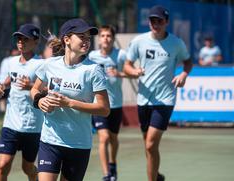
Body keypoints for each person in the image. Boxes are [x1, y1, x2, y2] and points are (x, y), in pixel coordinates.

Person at [30, 18, 110, 181]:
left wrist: (70, 103)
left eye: (88, 38)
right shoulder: (49, 65)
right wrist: (39, 101)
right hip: (50, 141)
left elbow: (104, 108)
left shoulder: (93, 70)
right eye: (82, 36)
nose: (86, 41)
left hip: (78, 144)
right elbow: (35, 89)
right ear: (67, 39)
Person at [123, 5, 193, 181]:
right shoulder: (139, 41)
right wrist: (134, 72)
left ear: (166, 22)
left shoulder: (176, 43)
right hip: (143, 100)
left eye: (159, 21)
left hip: (165, 100)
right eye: (152, 20)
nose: (156, 24)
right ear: (149, 22)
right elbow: (127, 65)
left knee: (151, 144)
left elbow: (188, 61)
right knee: (148, 146)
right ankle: (156, 175)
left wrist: (184, 74)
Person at [0, 23, 44, 181]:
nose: (21, 42)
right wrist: (0, 88)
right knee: (3, 165)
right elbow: (7, 80)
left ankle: (34, 176)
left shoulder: (41, 64)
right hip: (11, 124)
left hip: (32, 126)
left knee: (27, 168)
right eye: (18, 39)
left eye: (25, 39)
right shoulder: (10, 62)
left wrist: (31, 86)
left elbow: (50, 88)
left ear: (35, 42)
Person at [88, 25, 127, 181]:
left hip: (116, 105)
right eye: (103, 35)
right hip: (98, 105)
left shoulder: (121, 55)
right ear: (99, 39)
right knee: (103, 138)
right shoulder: (92, 56)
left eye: (109, 36)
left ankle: (113, 163)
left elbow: (131, 72)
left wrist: (120, 73)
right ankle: (106, 175)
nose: (106, 38)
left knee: (113, 138)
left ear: (113, 38)